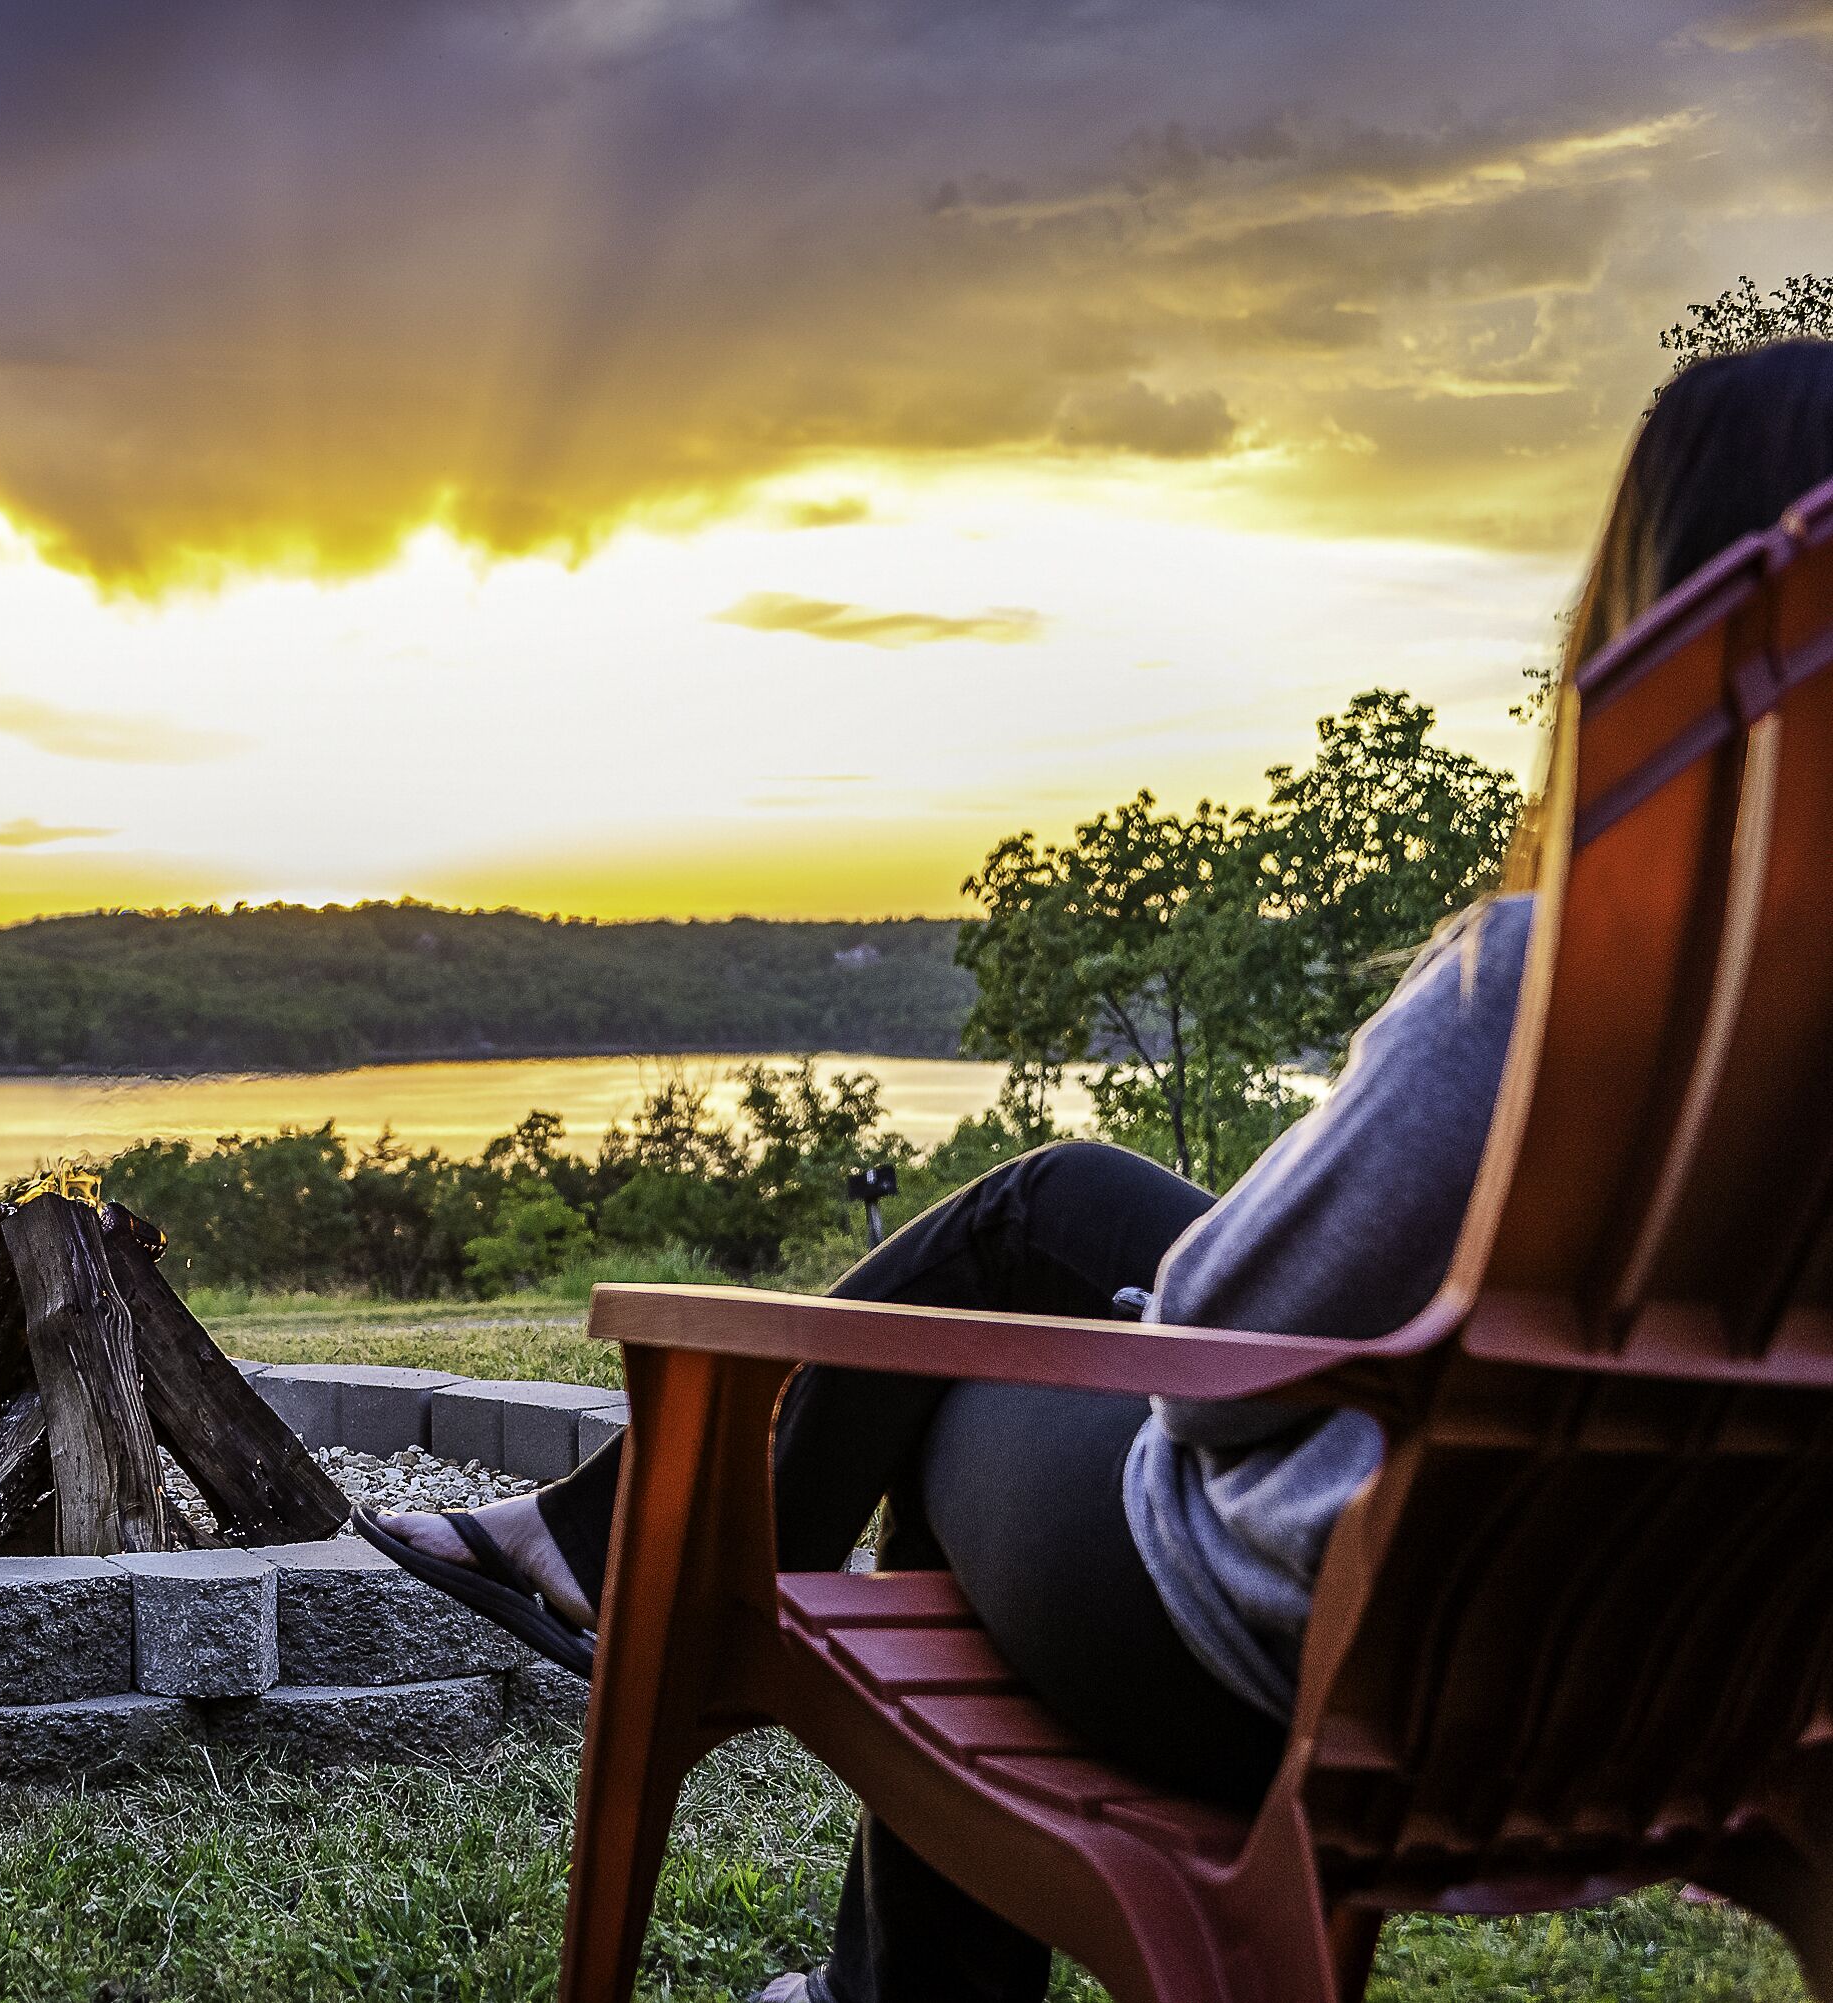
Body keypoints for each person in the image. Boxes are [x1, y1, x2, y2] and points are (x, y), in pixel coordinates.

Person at [360, 339, 1833, 2003]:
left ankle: (692, 1639)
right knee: (1048, 1202)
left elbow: (1213, 1361)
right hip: (1718, 1663)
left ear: (1656, 615)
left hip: (1316, 1656)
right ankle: (622, 1558)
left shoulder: (1548, 988)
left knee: (969, 1375)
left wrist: (1162, 1326)